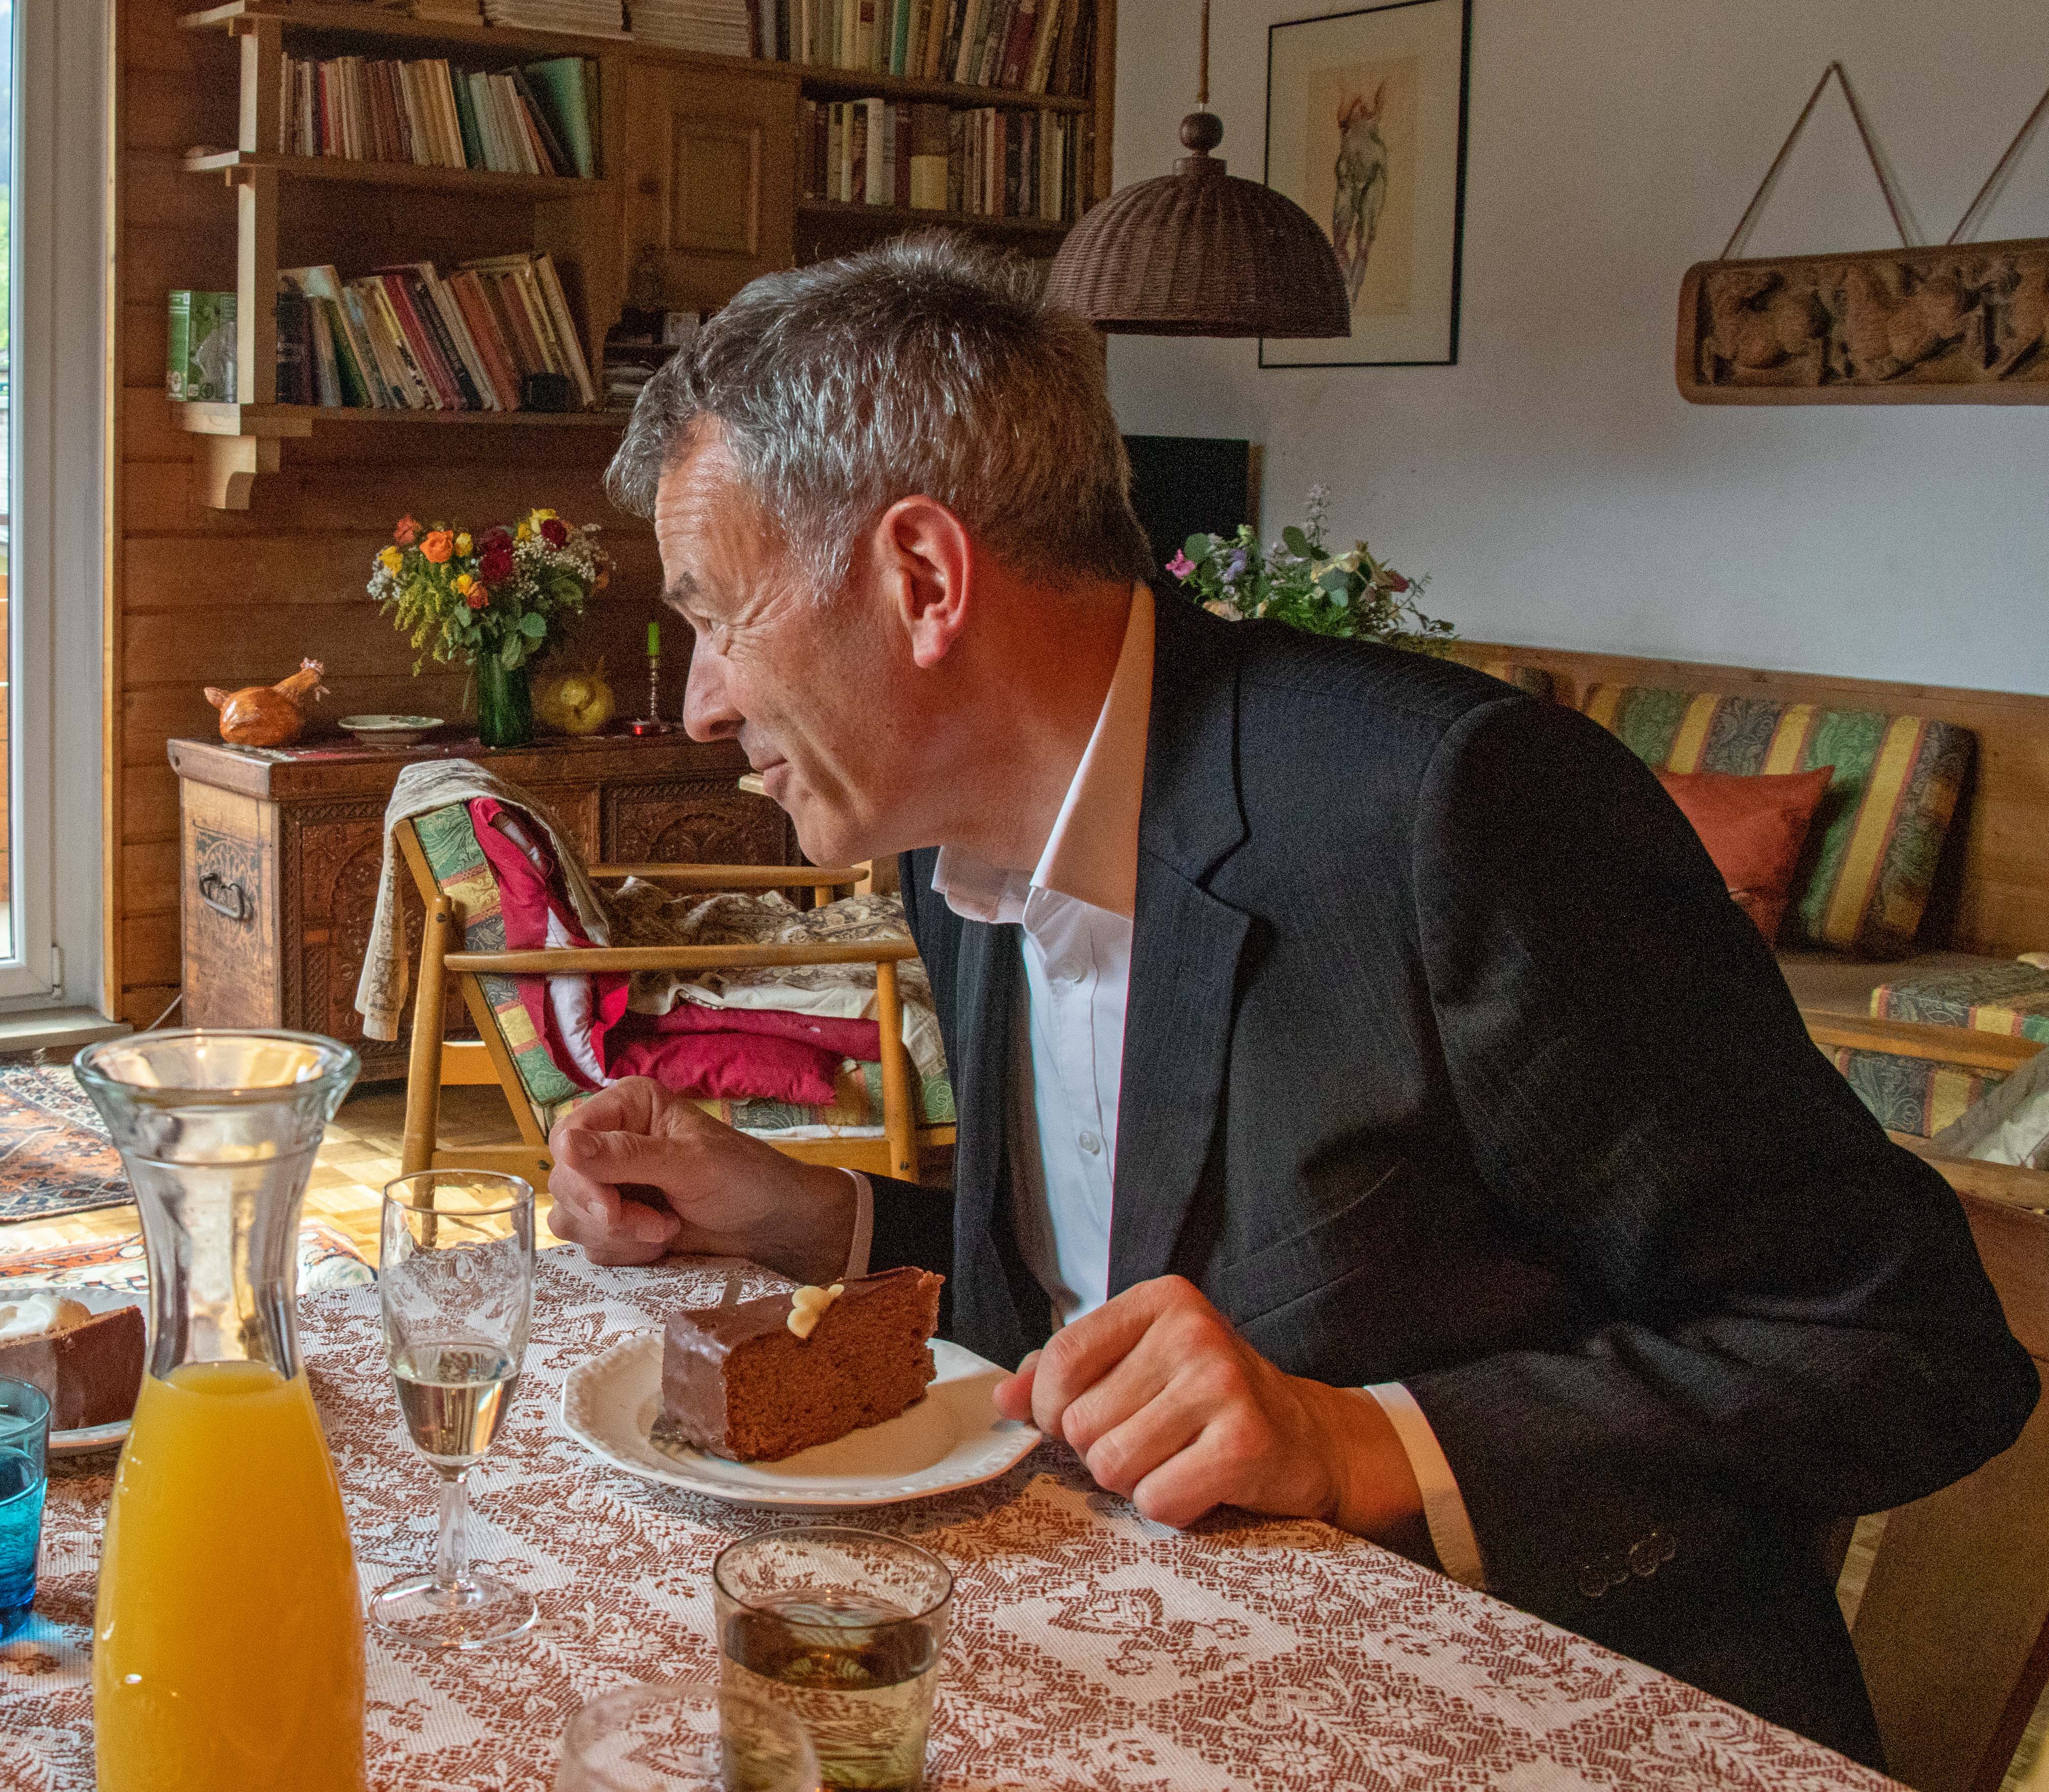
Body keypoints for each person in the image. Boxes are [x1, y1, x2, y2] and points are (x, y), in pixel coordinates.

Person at [545, 232, 2036, 1762]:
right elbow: (1110, 1305)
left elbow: (1905, 1344)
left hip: (1556, 1718)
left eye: (716, 615)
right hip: (1175, 1683)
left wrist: (1358, 1441)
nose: (701, 700)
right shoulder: (955, 846)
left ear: (923, 580)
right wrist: (811, 1218)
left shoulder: (1450, 811)